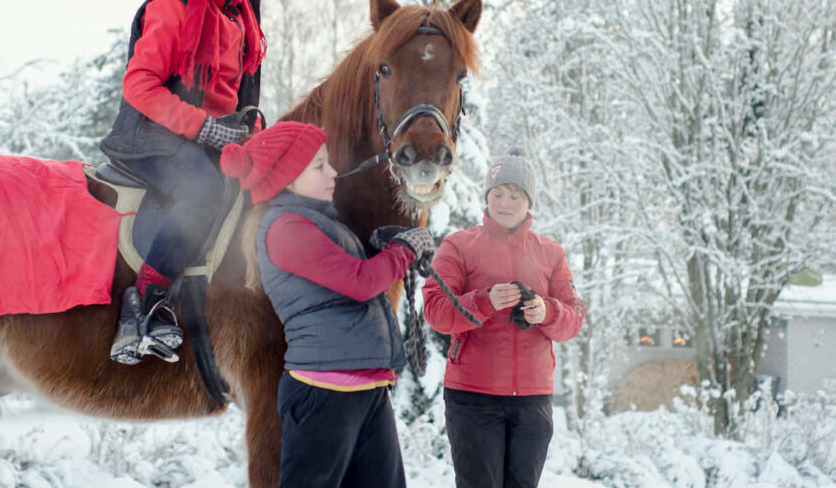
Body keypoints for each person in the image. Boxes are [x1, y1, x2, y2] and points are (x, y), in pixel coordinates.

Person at [101, 0, 279, 365]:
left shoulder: (241, 16)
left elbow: (237, 95)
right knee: (204, 190)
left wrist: (252, 129)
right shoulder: (172, 8)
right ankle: (145, 302)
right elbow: (140, 86)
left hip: (213, 136)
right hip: (153, 136)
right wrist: (202, 128)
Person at [220, 121, 436, 488]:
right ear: (288, 178)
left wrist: (390, 247)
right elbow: (361, 282)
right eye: (319, 166)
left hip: (365, 386)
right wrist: (405, 249)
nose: (333, 172)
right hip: (323, 391)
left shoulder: (319, 223)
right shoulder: (285, 227)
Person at [422, 147, 585, 488]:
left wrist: (545, 311)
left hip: (532, 401)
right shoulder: (458, 247)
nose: (505, 203)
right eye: (498, 193)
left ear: (528, 201)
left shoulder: (551, 253)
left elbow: (573, 318)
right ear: (487, 197)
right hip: (473, 398)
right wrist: (485, 301)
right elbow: (436, 311)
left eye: (515, 195)